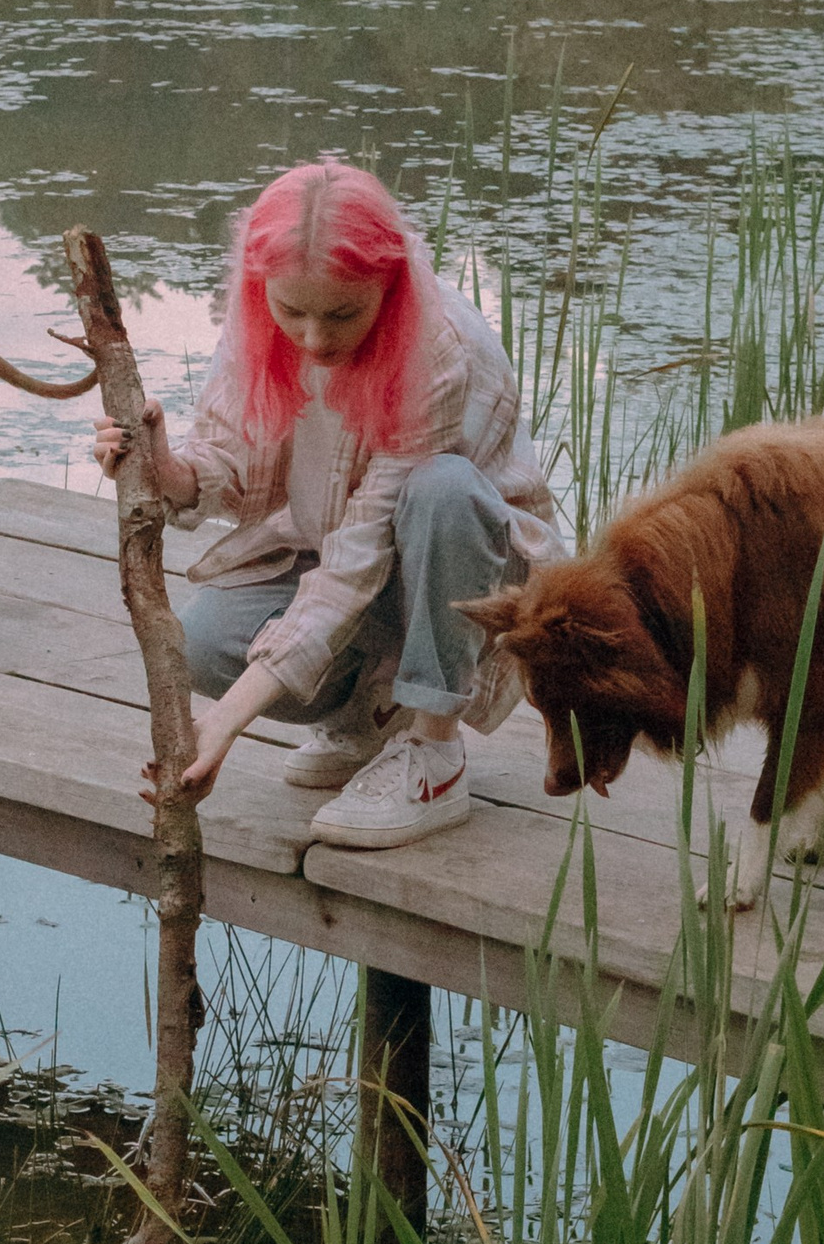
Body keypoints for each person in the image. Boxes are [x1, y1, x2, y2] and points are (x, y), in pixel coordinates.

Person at [92, 158, 559, 846]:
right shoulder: (260, 315)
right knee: (205, 644)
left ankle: (435, 751)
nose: (314, 339)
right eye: (293, 311)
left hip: (471, 573)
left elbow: (360, 558)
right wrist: (162, 465)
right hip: (343, 550)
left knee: (443, 486)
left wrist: (224, 723)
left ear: (389, 285)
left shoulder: (438, 351)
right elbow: (238, 468)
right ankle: (372, 719)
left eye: (342, 313)